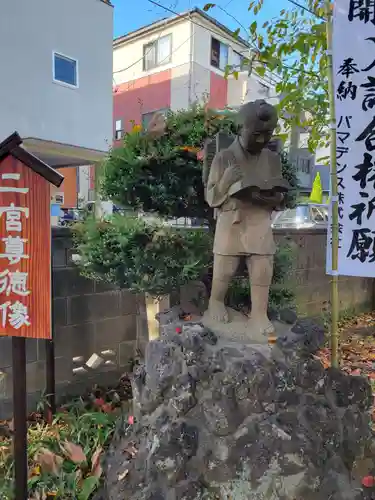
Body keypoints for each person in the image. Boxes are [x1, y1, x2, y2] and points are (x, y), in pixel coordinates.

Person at [205, 99, 289, 337]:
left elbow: (279, 191)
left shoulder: (272, 159)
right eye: (256, 133)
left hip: (260, 217)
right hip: (232, 218)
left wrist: (274, 197)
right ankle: (216, 301)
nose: (262, 139)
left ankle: (259, 314)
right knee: (225, 267)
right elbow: (211, 196)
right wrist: (225, 181)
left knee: (263, 265)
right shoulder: (224, 157)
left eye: (267, 134)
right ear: (241, 128)